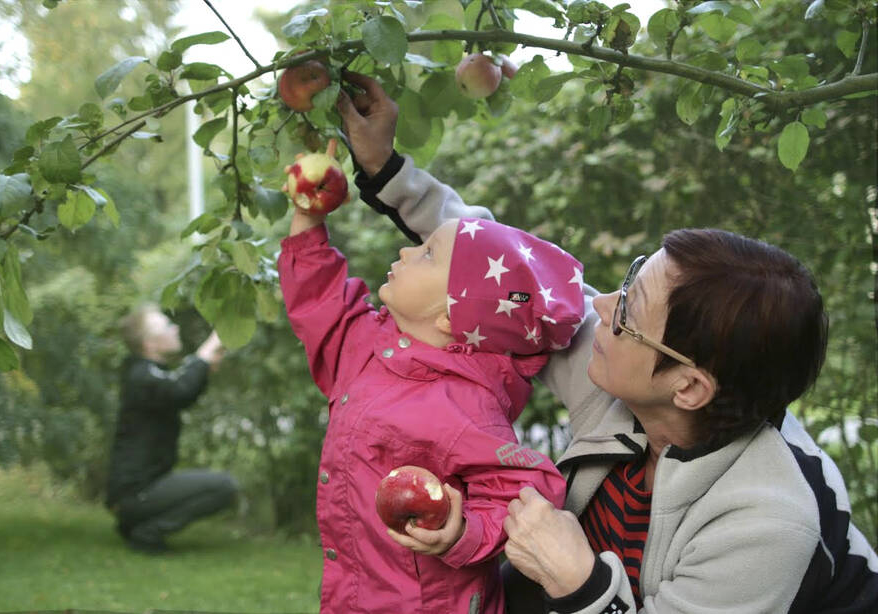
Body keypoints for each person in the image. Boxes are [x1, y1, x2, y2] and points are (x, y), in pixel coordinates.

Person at [334, 71, 878, 613]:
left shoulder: (765, 522)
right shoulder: (631, 377)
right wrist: (386, 167)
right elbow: (494, 272)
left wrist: (581, 582)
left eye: (628, 314)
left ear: (688, 387)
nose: (597, 309)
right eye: (628, 283)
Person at [278, 140, 587, 613]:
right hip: (356, 595)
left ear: (450, 318)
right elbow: (320, 302)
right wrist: (308, 217)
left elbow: (527, 489)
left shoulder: (462, 405)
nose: (406, 250)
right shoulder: (367, 344)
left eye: (425, 255)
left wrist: (461, 533)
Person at [105, 304, 238, 553]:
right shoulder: (141, 376)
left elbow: (180, 385)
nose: (174, 327)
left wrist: (204, 361)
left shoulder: (149, 373)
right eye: (166, 326)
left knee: (220, 486)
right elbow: (180, 390)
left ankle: (135, 523)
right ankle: (147, 532)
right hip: (135, 493)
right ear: (149, 343)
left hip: (139, 491)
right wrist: (208, 349)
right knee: (223, 487)